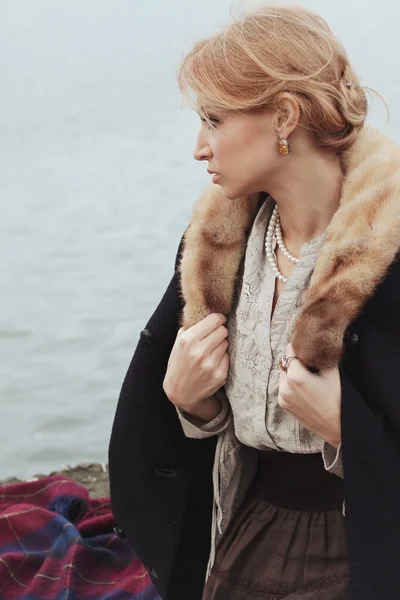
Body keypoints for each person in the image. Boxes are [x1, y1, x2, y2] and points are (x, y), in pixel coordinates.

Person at [109, 5, 400, 600]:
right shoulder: (216, 248)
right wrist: (192, 403)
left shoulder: (390, 254)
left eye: (214, 119)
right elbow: (225, 423)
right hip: (243, 525)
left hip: (366, 544)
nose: (199, 148)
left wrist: (349, 433)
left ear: (284, 116)